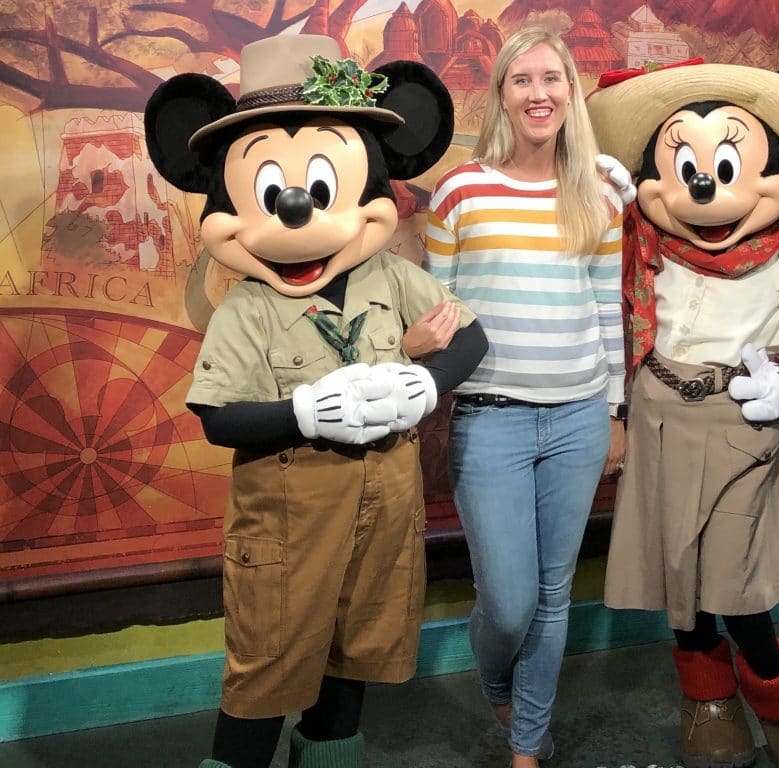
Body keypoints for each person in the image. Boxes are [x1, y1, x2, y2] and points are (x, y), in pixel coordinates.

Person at [144, 34, 487, 768]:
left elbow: (472, 338)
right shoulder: (247, 307)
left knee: (355, 653)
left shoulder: (390, 279)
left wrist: (427, 382)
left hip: (384, 510)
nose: (298, 207)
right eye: (273, 190)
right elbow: (216, 418)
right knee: (267, 668)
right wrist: (302, 413)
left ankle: (331, 757)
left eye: (323, 184)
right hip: (289, 520)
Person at [587, 62, 779, 768]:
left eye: (726, 162)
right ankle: (708, 704)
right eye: (684, 165)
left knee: (735, 583)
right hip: (658, 413)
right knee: (677, 576)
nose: (703, 185)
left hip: (742, 421)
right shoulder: (648, 243)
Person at [423, 26, 628, 768]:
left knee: (553, 594)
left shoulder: (599, 190)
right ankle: (496, 680)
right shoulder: (461, 189)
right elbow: (436, 308)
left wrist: (613, 411)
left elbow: (608, 308)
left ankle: (528, 745)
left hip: (577, 417)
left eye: (553, 78)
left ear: (571, 92)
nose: (538, 93)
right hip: (489, 422)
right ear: (501, 95)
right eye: (522, 80)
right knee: (507, 602)